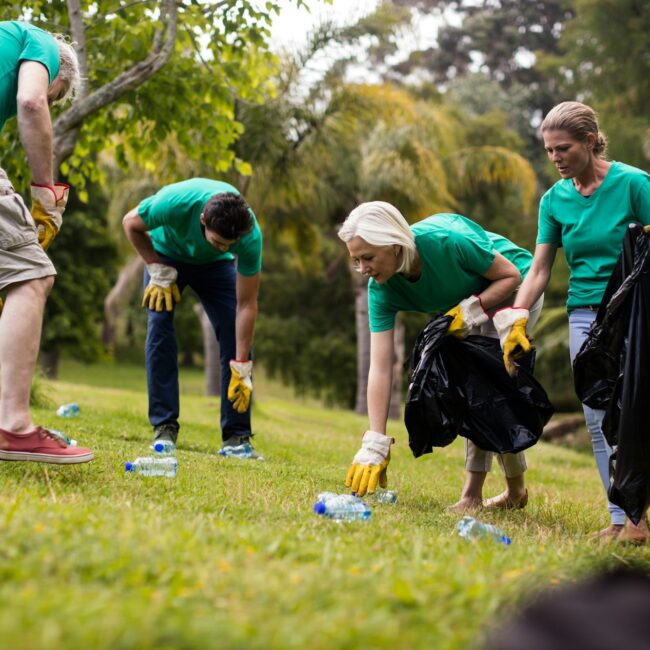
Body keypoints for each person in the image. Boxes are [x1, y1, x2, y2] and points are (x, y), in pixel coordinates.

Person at [499, 101, 650, 544]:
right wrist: (518, 317)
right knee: (599, 416)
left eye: (562, 148)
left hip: (635, 311)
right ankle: (626, 522)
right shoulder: (555, 200)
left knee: (640, 411)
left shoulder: (634, 184)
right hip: (585, 315)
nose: (556, 158)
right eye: (548, 151)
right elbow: (540, 269)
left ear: (589, 141)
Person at [337, 201, 543, 510]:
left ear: (394, 246)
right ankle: (503, 494)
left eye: (368, 257)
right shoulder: (381, 289)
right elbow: (380, 367)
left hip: (513, 290)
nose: (363, 268)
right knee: (475, 390)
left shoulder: (446, 240)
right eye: (356, 260)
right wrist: (375, 442)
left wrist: (469, 312)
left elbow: (509, 275)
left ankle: (485, 494)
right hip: (466, 304)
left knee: (487, 388)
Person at [0, 21, 93, 463]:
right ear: (61, 74)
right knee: (32, 275)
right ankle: (14, 427)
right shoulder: (39, 43)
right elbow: (32, 101)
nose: (52, 101)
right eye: (61, 98)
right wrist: (45, 191)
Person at [122, 178, 262, 455]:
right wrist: (155, 267)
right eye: (218, 241)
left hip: (215, 269)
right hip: (165, 255)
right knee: (159, 327)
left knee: (237, 340)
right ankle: (164, 427)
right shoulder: (174, 202)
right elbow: (130, 223)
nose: (224, 247)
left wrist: (242, 365)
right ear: (202, 220)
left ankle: (236, 438)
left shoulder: (249, 237)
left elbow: (247, 304)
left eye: (229, 244)